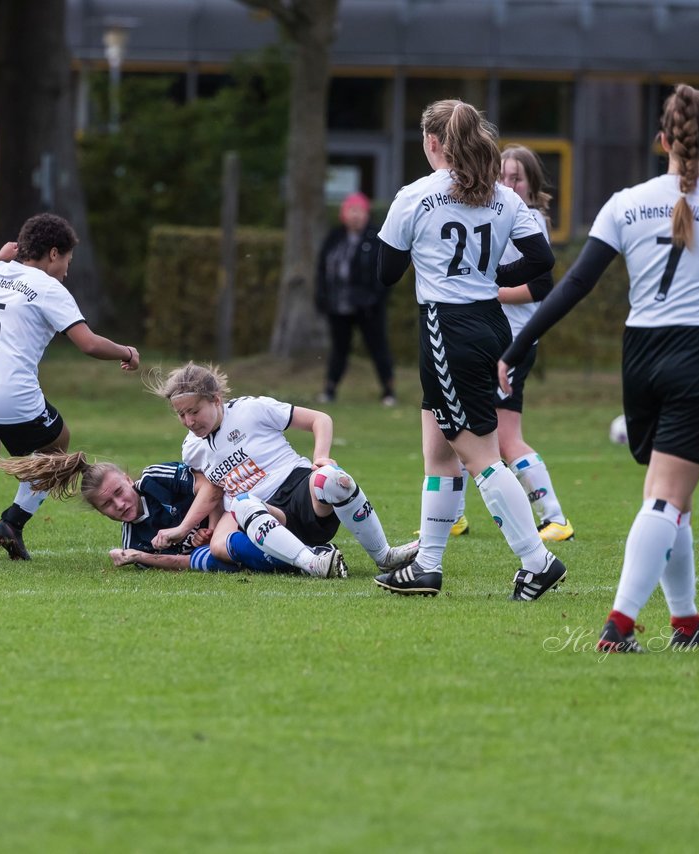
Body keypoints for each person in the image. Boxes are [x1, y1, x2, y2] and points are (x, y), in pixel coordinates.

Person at [499, 83, 699, 652]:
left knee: (669, 494)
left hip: (639, 355)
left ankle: (686, 624)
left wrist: (520, 347)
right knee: (666, 497)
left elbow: (574, 285)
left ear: (662, 140)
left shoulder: (624, 202)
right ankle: (618, 627)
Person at [374, 98, 565, 599]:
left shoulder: (417, 195)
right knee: (438, 454)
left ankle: (538, 560)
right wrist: (488, 277)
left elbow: (385, 274)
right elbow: (541, 261)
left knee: (480, 456)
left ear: (433, 143)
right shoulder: (502, 195)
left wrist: (442, 265)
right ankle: (428, 565)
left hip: (446, 330)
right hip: (490, 324)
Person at [0, 213, 140, 560]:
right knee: (58, 448)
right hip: (12, 399)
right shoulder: (49, 288)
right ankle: (12, 523)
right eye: (66, 261)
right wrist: (127, 352)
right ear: (53, 253)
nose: (66, 271)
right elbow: (88, 344)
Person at [145, 362, 419, 579]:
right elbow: (215, 490)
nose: (189, 421)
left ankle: (384, 557)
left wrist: (321, 456)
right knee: (239, 506)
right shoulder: (192, 449)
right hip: (262, 514)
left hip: (299, 490)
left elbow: (319, 419)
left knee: (334, 480)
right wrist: (201, 527)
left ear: (216, 400)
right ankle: (313, 563)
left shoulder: (251, 410)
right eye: (181, 415)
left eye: (194, 411)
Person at [446, 145, 575, 544]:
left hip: (512, 344)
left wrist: (486, 291)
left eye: (516, 176)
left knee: (503, 438)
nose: (507, 182)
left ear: (532, 185)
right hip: (493, 338)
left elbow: (541, 288)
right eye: (502, 175)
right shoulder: (501, 212)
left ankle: (554, 518)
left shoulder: (528, 217)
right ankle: (452, 516)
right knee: (456, 423)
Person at [0, 452, 297, 574]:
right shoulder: (135, 541)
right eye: (107, 505)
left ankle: (301, 556)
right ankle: (300, 560)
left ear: (128, 479)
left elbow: (213, 488)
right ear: (100, 512)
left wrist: (208, 528)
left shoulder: (155, 478)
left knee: (224, 544)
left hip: (247, 509)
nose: (120, 504)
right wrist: (139, 557)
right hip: (230, 546)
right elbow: (185, 562)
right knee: (216, 560)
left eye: (119, 493)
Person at [315, 191, 397, 406]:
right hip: (339, 305)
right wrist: (322, 296)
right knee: (339, 349)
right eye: (351, 211)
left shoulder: (375, 237)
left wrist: (375, 298)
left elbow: (385, 272)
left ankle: (389, 391)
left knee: (378, 348)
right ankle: (330, 390)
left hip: (368, 307)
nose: (356, 216)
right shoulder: (335, 237)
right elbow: (322, 269)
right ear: (344, 214)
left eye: (360, 211)